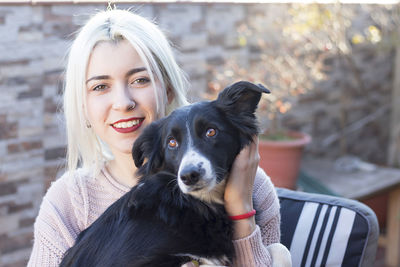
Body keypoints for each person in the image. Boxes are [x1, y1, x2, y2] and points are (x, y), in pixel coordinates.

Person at [28, 8, 281, 267]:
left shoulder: (255, 187)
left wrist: (241, 209)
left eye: (140, 80)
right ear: (84, 106)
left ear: (168, 89)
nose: (123, 102)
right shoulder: (68, 202)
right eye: (100, 86)